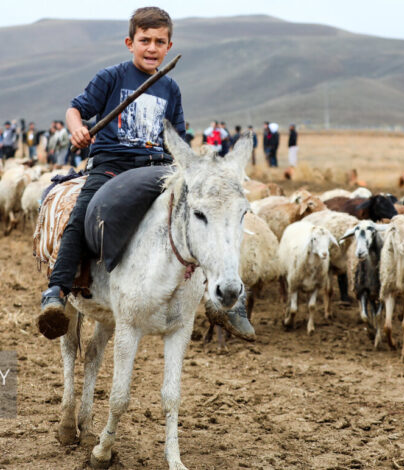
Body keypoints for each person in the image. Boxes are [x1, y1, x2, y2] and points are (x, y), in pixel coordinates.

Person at [38, 7, 253, 341]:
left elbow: (177, 138)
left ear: (169, 46)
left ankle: (224, 296)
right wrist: (78, 128)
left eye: (159, 41)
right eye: (145, 40)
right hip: (112, 164)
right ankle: (57, 291)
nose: (152, 48)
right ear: (130, 42)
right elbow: (75, 109)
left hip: (158, 166)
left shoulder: (171, 88)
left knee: (205, 214)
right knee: (81, 215)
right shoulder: (110, 77)